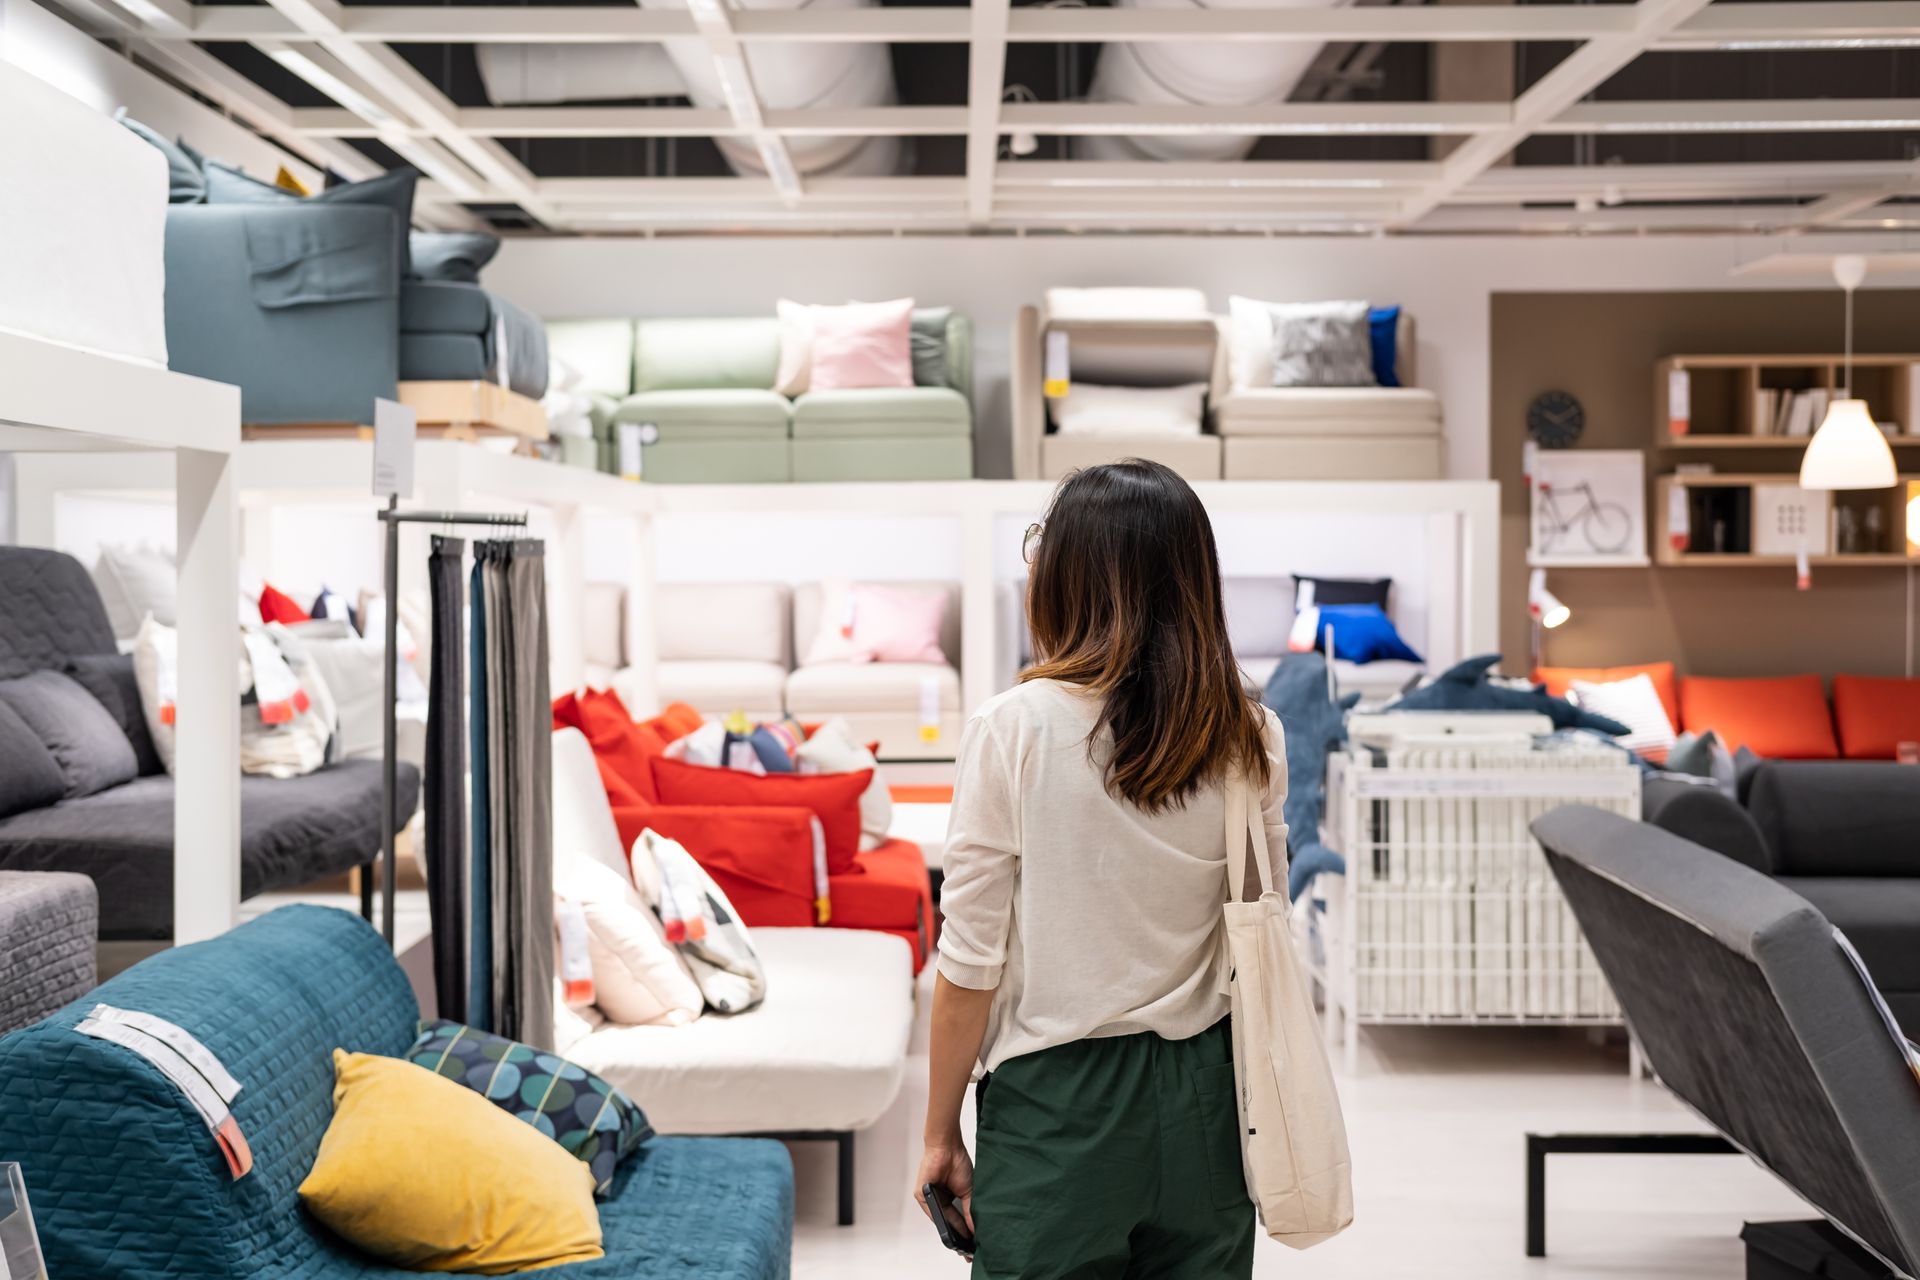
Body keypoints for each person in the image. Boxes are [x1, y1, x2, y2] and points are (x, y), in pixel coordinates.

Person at [916, 459, 1289, 1279]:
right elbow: (1261, 927)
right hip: (1208, 1095)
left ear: (1066, 575)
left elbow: (970, 962)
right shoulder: (1250, 733)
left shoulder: (1012, 728)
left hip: (1059, 1101)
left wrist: (941, 1133)